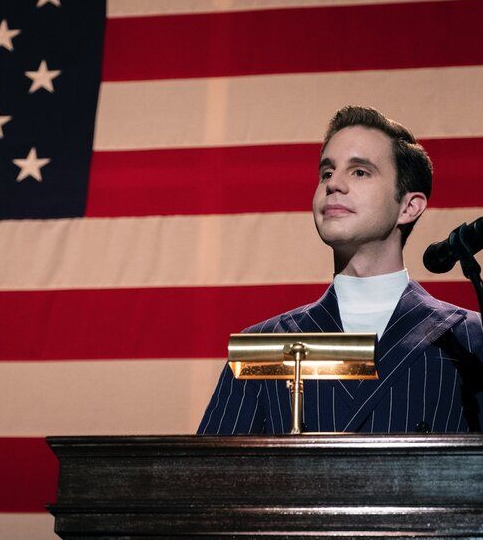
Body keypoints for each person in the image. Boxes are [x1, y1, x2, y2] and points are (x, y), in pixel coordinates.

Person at [198, 106, 483, 435]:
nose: (334, 184)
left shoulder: (469, 339)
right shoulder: (260, 348)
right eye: (326, 172)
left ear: (408, 206)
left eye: (359, 172)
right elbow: (209, 467)